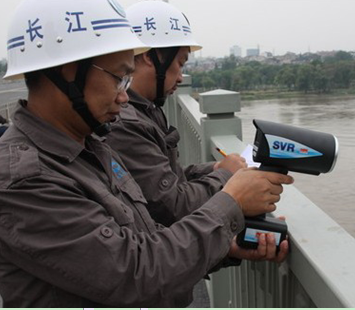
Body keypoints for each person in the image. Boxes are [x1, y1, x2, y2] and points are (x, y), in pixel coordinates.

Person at [0, 0, 294, 308]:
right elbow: (136, 273)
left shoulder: (89, 146)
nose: (125, 95)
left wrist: (227, 247)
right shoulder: (24, 180)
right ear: (68, 72)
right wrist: (230, 201)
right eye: (118, 77)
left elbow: (145, 238)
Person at [106, 1, 291, 263]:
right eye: (179, 64)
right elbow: (169, 206)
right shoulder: (125, 123)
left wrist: (214, 170)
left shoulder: (145, 111)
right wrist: (230, 182)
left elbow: (163, 179)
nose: (181, 77)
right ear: (151, 56)